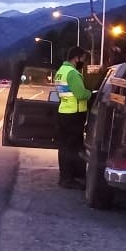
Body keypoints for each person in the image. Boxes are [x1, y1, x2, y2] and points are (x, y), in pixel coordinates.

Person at [54, 46, 93, 189]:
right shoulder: (72, 73)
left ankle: (66, 176)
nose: (84, 61)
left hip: (63, 112)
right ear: (76, 58)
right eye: (83, 58)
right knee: (72, 148)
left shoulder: (60, 72)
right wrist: (92, 94)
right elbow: (81, 94)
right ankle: (68, 179)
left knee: (64, 147)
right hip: (73, 116)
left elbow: (61, 94)